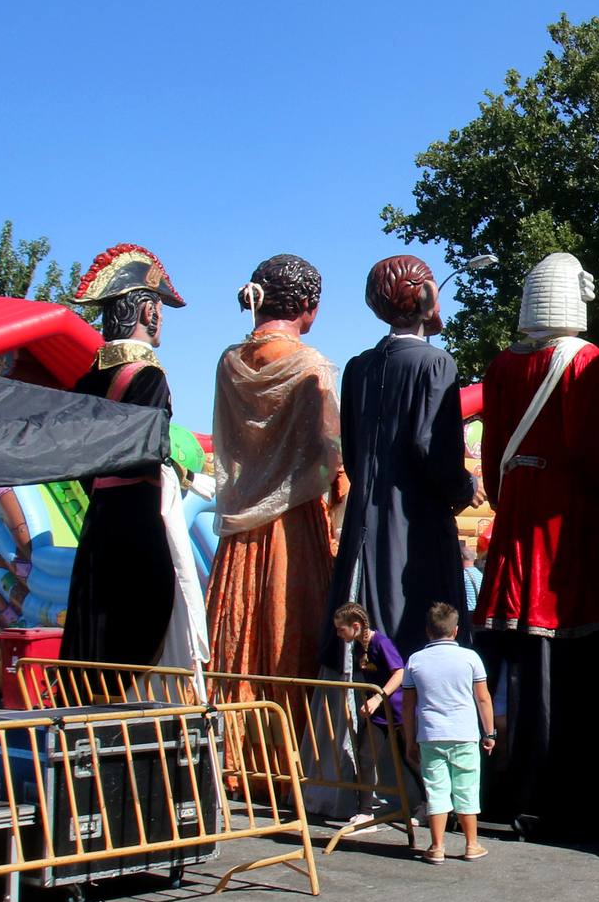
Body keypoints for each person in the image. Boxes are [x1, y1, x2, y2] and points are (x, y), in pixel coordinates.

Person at [474, 253, 599, 844]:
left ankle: (502, 791)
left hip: (517, 515)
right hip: (564, 525)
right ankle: (566, 796)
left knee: (509, 643)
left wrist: (512, 489)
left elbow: (493, 460)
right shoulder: (584, 359)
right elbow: (594, 454)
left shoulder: (500, 365)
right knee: (570, 645)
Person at [207, 255, 343, 752]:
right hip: (294, 524)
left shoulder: (229, 361)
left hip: (242, 529)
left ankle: (236, 753)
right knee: (291, 631)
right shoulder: (311, 366)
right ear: (307, 305)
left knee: (240, 633)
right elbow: (330, 449)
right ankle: (286, 756)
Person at [328, 256, 478, 666]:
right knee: (418, 634)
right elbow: (432, 448)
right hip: (416, 527)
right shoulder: (435, 362)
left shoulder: (359, 366)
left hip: (364, 518)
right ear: (427, 295)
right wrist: (466, 487)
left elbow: (354, 453)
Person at [64, 244, 205, 669]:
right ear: (148, 312)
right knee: (142, 620)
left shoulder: (87, 379)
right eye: (158, 307)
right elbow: (149, 454)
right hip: (139, 518)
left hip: (99, 516)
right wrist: (184, 474)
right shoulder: (148, 376)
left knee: (94, 625)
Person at [400, 603, 495, 865]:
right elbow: (483, 699)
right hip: (464, 733)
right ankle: (471, 844)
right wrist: (490, 732)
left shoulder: (415, 660)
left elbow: (408, 705)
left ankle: (437, 846)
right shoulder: (470, 658)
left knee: (436, 790)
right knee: (466, 788)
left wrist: (409, 739)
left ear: (428, 631)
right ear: (455, 630)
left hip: (430, 734)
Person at [331, 603, 408, 836]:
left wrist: (377, 697)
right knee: (365, 756)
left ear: (355, 626)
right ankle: (365, 812)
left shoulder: (381, 643)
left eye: (341, 629)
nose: (338, 634)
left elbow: (400, 671)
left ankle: (425, 808)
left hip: (397, 712)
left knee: (410, 757)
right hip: (377, 716)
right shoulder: (358, 646)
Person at [460, 539, 481, 614]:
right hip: (477, 612)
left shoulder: (462, 575)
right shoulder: (480, 574)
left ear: (461, 557)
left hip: (466, 613)